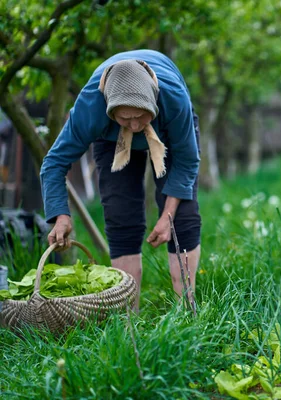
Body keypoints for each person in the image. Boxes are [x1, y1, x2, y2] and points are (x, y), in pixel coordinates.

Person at [40, 50, 201, 308]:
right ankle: (128, 318)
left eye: (141, 116)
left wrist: (167, 217)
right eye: (126, 118)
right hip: (111, 139)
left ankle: (187, 309)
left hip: (168, 131)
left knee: (182, 219)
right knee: (120, 213)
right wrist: (60, 215)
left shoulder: (174, 98)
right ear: (110, 110)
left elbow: (187, 162)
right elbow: (54, 162)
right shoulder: (90, 109)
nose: (135, 126)